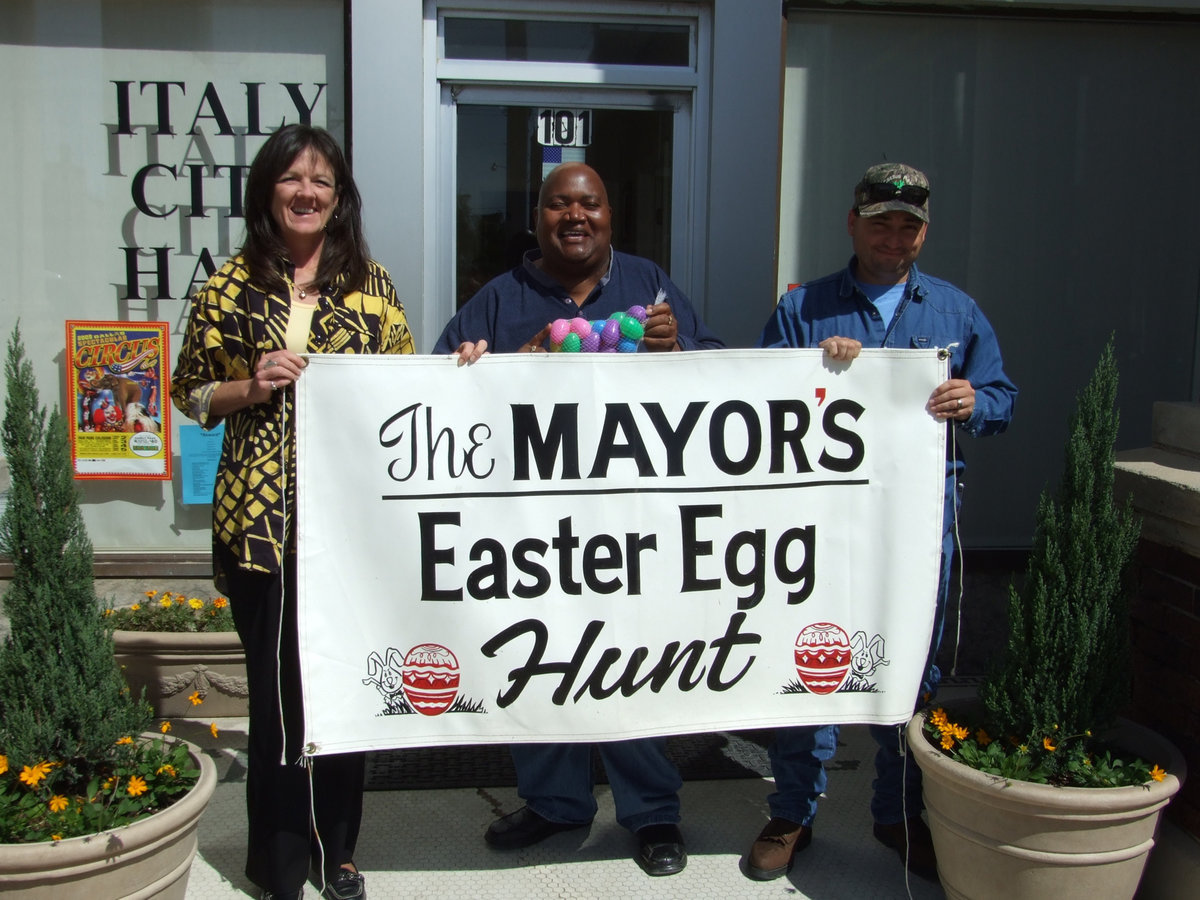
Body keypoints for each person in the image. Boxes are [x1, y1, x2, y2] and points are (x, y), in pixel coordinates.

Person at [434, 161, 725, 877]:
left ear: (609, 217)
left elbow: (724, 373)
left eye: (589, 204)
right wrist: (486, 364)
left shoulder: (649, 286)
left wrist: (676, 351)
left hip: (633, 529)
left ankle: (651, 813)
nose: (575, 216)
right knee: (540, 663)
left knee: (631, 666)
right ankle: (555, 804)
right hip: (532, 536)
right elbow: (436, 387)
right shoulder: (500, 299)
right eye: (559, 204)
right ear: (538, 218)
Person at [746, 162, 1017, 882]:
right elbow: (758, 401)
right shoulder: (805, 306)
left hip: (918, 527)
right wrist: (811, 368)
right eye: (880, 221)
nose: (894, 236)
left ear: (924, 231)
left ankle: (899, 814)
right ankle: (794, 811)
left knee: (910, 670)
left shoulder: (956, 312)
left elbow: (1002, 397)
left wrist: (975, 403)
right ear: (852, 224)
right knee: (809, 655)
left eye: (908, 224)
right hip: (822, 524)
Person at [172, 124, 415, 900]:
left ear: (339, 196)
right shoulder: (226, 287)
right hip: (262, 525)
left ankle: (339, 851)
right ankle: (278, 860)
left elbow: (410, 393)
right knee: (276, 704)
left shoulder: (372, 287)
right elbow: (188, 393)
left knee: (343, 691)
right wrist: (252, 384)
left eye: (321, 180)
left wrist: (466, 367)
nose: (306, 193)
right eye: (291, 179)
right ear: (267, 192)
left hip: (349, 528)